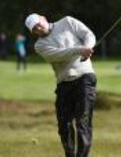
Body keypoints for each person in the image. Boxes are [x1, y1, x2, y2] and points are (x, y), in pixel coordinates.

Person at [25, 13, 97, 157]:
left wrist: (88, 47)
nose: (38, 29)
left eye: (38, 24)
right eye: (34, 29)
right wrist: (80, 50)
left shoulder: (68, 22)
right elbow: (59, 54)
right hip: (64, 83)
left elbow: (88, 34)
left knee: (82, 122)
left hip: (84, 77)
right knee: (64, 125)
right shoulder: (40, 45)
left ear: (43, 18)